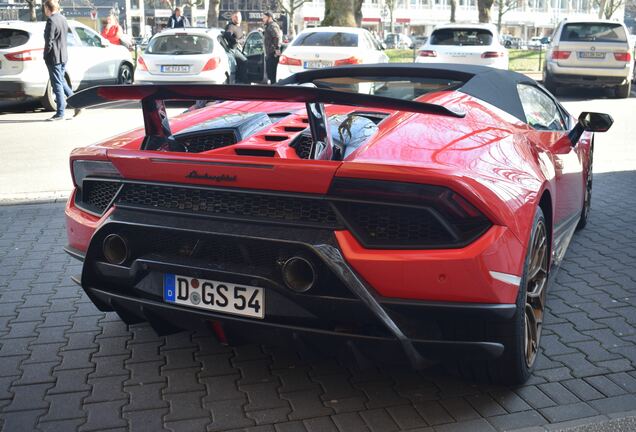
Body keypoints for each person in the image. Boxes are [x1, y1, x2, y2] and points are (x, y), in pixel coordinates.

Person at [43, 0, 80, 121]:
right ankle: (77, 103)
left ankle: (60, 113)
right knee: (62, 81)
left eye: (45, 8)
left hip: (54, 56)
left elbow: (49, 41)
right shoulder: (63, 19)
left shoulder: (51, 20)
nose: (44, 11)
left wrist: (45, 54)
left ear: (48, 8)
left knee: (57, 84)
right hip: (63, 55)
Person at [224, 10, 247, 83]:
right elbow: (227, 34)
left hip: (240, 49)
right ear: (232, 17)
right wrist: (235, 41)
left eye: (239, 16)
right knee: (245, 61)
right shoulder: (231, 26)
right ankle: (241, 82)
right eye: (235, 16)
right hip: (233, 50)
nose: (237, 18)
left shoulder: (239, 27)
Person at [262, 11, 282, 84]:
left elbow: (276, 37)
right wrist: (263, 32)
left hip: (273, 54)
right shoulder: (269, 26)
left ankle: (274, 89)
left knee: (272, 75)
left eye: (264, 17)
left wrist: (277, 49)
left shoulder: (273, 26)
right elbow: (270, 36)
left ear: (269, 18)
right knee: (270, 74)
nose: (263, 19)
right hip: (270, 54)